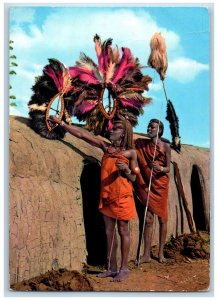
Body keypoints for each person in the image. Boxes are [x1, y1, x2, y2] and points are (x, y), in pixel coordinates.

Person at [49, 115, 139, 281]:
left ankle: (124, 268)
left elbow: (135, 177)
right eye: (112, 128)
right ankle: (111, 267)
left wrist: (126, 169)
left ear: (124, 133)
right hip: (107, 196)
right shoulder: (106, 147)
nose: (111, 130)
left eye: (116, 129)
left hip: (122, 197)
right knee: (109, 232)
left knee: (123, 231)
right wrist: (62, 124)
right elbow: (83, 135)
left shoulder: (131, 153)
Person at [133, 119, 171, 264]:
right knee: (148, 219)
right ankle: (146, 254)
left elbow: (168, 168)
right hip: (148, 185)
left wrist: (160, 168)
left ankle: (161, 254)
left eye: (153, 127)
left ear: (159, 130)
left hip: (160, 185)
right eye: (148, 126)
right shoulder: (141, 144)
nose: (149, 128)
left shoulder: (166, 146)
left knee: (162, 219)